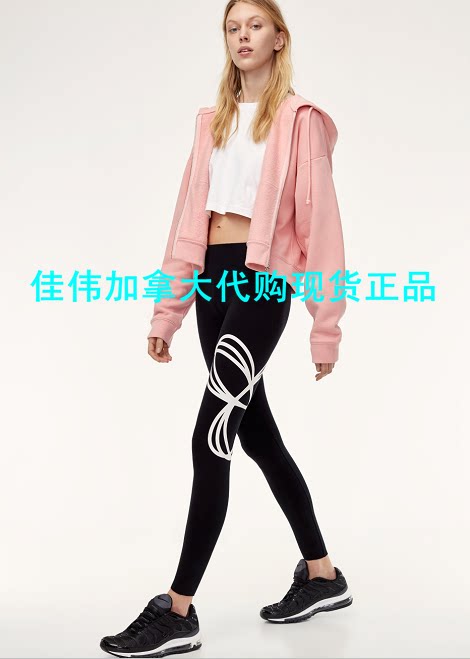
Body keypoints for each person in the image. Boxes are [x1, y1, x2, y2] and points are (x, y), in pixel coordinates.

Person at [100, 0, 352, 656]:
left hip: (262, 282)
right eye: (233, 27)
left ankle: (177, 607)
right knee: (257, 434)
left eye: (255, 25)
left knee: (210, 433)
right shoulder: (211, 121)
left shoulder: (299, 121)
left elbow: (322, 225)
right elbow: (187, 222)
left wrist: (325, 327)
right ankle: (322, 575)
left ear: (279, 38)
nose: (243, 36)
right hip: (212, 281)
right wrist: (168, 312)